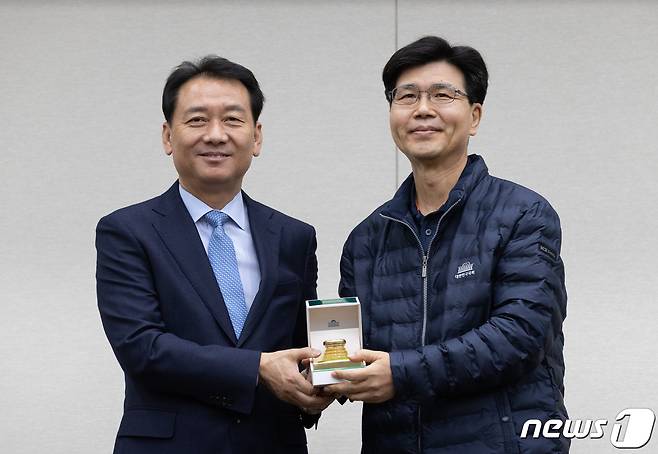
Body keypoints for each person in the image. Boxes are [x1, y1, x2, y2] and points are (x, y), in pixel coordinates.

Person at [327, 36, 569, 453]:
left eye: (442, 95)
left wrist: (400, 374)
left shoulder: (523, 214)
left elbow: (519, 337)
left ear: (474, 116)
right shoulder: (366, 239)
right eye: (407, 96)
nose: (423, 109)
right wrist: (319, 382)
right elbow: (355, 353)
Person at [96, 56, 332, 454]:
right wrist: (257, 368)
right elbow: (142, 348)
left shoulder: (294, 237)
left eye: (233, 120)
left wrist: (315, 388)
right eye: (197, 120)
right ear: (168, 136)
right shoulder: (127, 231)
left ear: (256, 137)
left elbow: (298, 346)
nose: (216, 134)